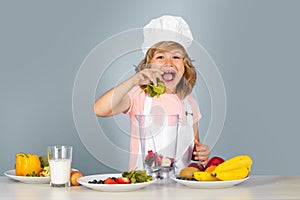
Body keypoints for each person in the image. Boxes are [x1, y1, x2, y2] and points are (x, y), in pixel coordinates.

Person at [94, 15, 209, 170]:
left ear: (185, 65)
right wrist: (133, 81)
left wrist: (202, 154)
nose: (169, 63)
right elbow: (100, 109)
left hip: (182, 191)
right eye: (160, 57)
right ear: (149, 66)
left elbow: (194, 149)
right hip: (144, 188)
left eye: (176, 57)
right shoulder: (139, 96)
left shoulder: (190, 104)